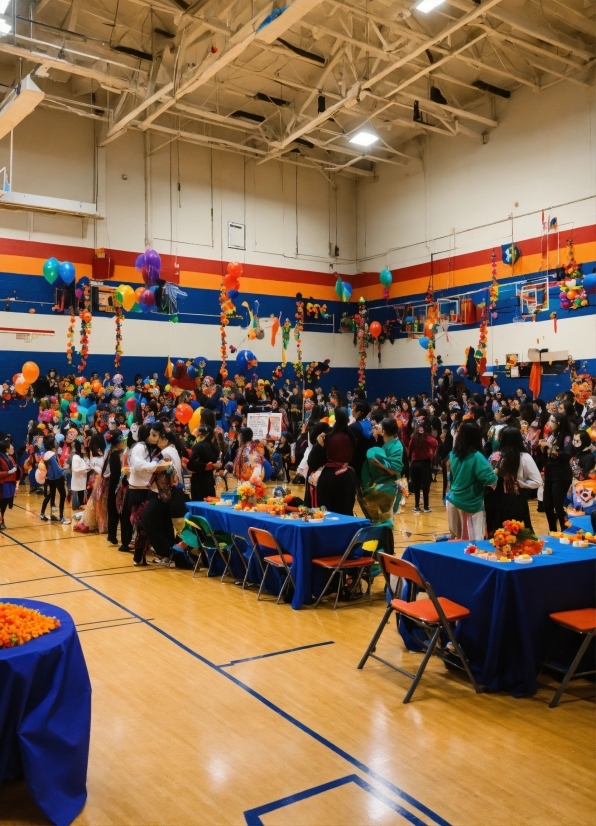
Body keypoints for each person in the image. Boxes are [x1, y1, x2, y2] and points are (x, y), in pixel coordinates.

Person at [485, 427, 542, 534]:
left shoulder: (496, 455)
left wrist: (519, 483)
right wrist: (521, 484)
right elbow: (537, 481)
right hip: (511, 500)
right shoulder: (523, 457)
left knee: (499, 534)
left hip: (497, 500)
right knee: (516, 533)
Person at [447, 421, 497, 541]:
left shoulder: (453, 454)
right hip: (469, 504)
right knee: (473, 544)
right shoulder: (476, 456)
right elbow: (489, 478)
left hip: (452, 500)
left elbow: (451, 475)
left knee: (456, 540)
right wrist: (496, 471)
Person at [126, 425, 167, 566]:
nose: (156, 438)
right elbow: (138, 465)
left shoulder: (153, 449)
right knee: (141, 525)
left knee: (146, 525)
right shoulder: (139, 447)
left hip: (147, 491)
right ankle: (139, 556)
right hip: (137, 491)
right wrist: (155, 466)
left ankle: (142, 554)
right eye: (153, 434)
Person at [361, 418, 403, 543]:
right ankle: (380, 551)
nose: (376, 426)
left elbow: (395, 469)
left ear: (383, 431)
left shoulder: (396, 446)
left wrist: (378, 464)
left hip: (390, 486)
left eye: (379, 426)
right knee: (379, 520)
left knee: (387, 520)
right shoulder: (387, 442)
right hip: (381, 485)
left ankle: (387, 550)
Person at [309, 408, 357, 515]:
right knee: (345, 511)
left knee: (327, 513)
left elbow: (312, 463)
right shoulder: (350, 436)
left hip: (329, 478)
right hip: (348, 477)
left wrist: (318, 447)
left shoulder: (327, 437)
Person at [539, 412, 573, 532]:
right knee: (547, 505)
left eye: (552, 421)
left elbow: (567, 455)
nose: (549, 423)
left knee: (558, 505)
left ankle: (566, 529)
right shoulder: (552, 434)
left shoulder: (567, 436)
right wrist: (543, 448)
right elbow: (547, 456)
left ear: (558, 423)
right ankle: (552, 531)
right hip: (550, 473)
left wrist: (548, 445)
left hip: (562, 474)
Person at [407, 417, 438, 513]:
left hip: (414, 464)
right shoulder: (429, 438)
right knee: (425, 486)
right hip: (425, 464)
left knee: (416, 486)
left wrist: (410, 460)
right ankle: (426, 506)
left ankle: (416, 506)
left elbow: (409, 450)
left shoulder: (413, 437)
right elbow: (435, 444)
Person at [40, 436, 70, 524]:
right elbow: (57, 471)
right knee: (63, 495)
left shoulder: (45, 455)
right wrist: (65, 468)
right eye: (55, 443)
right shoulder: (52, 456)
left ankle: (42, 513)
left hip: (49, 478)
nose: (56, 444)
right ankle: (61, 517)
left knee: (51, 494)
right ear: (51, 445)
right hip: (57, 478)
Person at [187, 425, 221, 500]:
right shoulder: (215, 447)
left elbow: (191, 465)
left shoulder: (198, 446)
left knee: (199, 505)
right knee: (210, 503)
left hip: (198, 481)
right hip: (210, 479)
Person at [0, 440, 20, 529]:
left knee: (5, 502)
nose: (12, 448)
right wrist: (8, 472)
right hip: (3, 483)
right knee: (2, 502)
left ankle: (2, 519)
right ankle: (1, 520)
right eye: (10, 446)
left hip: (10, 483)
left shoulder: (10, 458)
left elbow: (16, 469)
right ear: (6, 448)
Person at [70, 440, 90, 512]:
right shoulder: (76, 457)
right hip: (78, 481)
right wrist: (86, 468)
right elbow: (76, 469)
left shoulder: (80, 457)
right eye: (81, 447)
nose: (82, 448)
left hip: (81, 482)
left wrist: (87, 468)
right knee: (77, 502)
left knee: (81, 496)